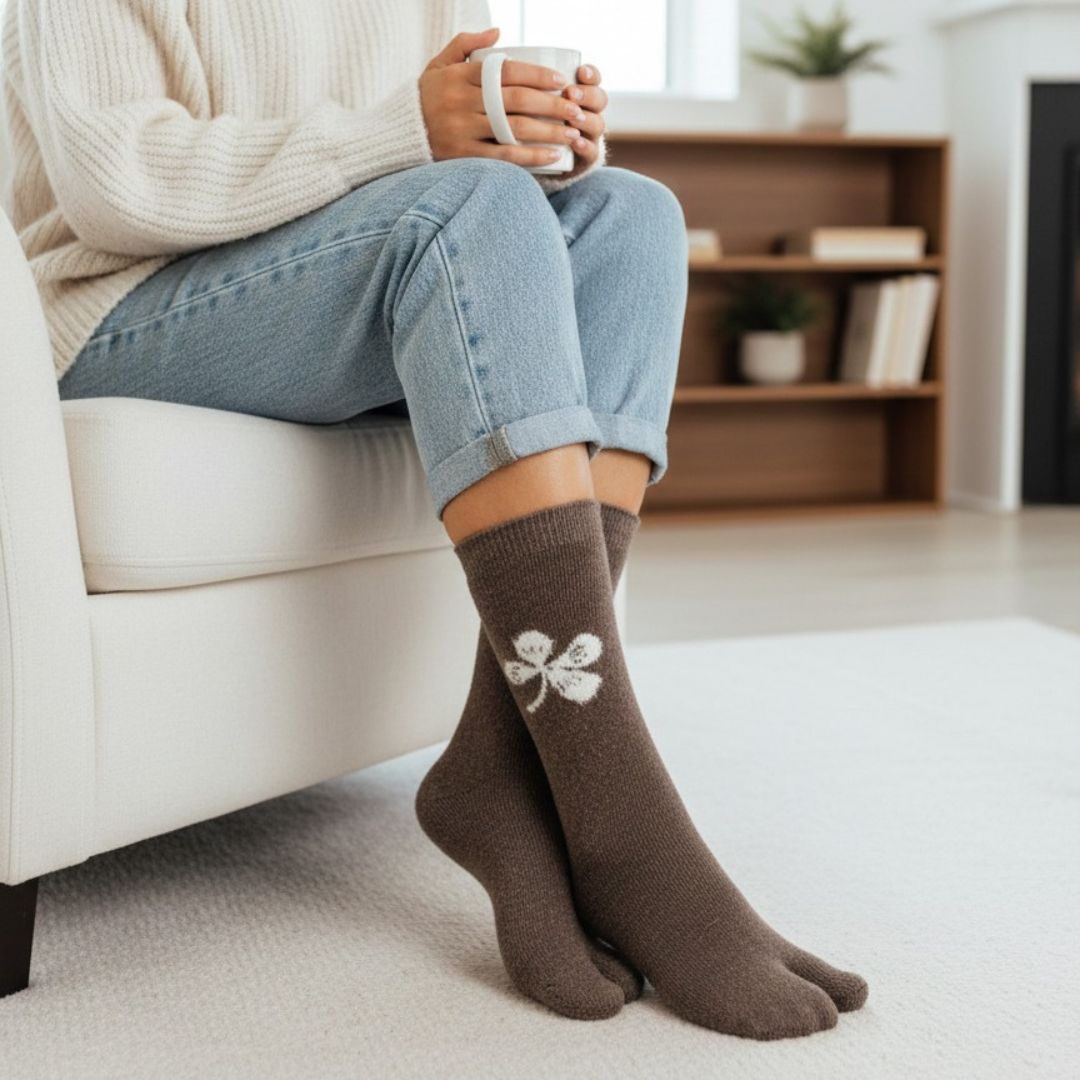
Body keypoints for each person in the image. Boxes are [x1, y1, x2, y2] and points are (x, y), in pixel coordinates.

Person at [2, 0, 867, 1039]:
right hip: (115, 305)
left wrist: (538, 137)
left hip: (342, 273)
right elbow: (114, 186)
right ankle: (628, 825)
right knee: (466, 214)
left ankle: (499, 766)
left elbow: (450, 162)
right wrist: (407, 131)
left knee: (632, 220)